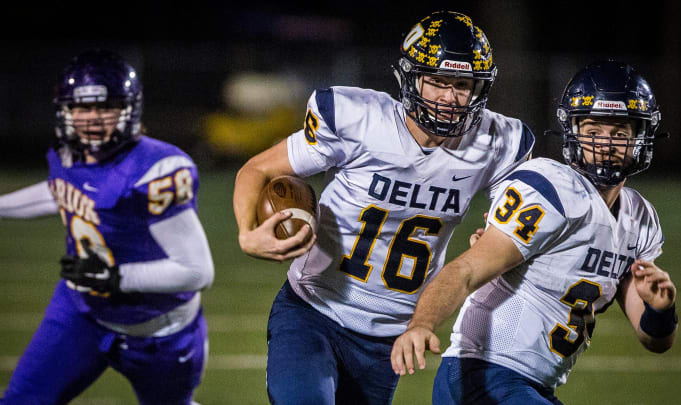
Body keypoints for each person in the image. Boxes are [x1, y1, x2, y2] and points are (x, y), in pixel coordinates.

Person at [232, 10, 535, 404]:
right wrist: (246, 233)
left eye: (462, 84)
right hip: (312, 311)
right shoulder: (360, 120)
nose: (449, 97)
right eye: (438, 81)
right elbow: (257, 169)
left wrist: (494, 233)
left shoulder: (497, 143)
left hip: (388, 336)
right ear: (411, 78)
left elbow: (515, 219)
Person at [390, 60, 678, 404]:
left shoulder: (639, 218)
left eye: (619, 133)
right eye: (593, 130)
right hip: (482, 374)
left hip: (532, 387)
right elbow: (466, 270)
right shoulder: (551, 189)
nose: (605, 143)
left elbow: (653, 339)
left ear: (640, 139)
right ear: (573, 131)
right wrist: (421, 324)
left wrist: (662, 308)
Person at [0, 49, 214, 404]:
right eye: (81, 108)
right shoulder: (71, 154)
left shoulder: (154, 169)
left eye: (105, 107)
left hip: (160, 330)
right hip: (81, 313)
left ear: (129, 110)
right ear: (65, 111)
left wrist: (116, 278)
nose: (92, 119)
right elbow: (62, 193)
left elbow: (196, 270)